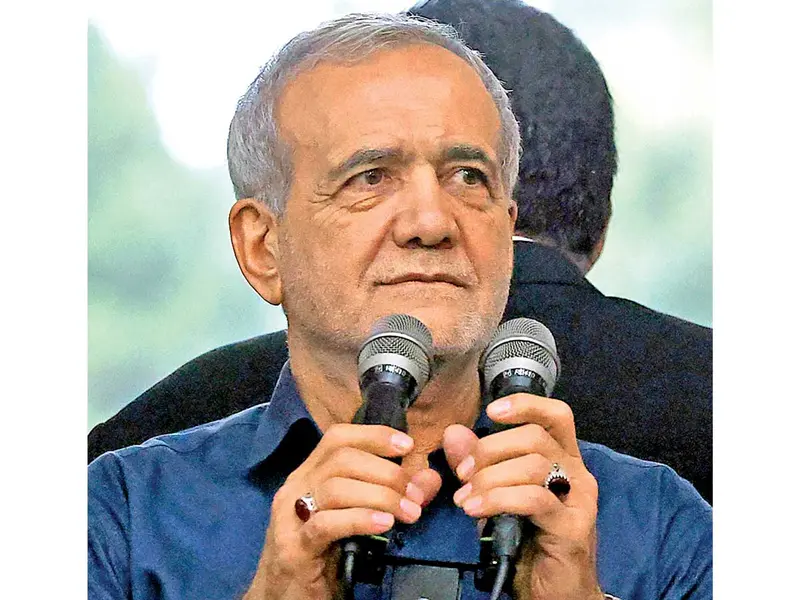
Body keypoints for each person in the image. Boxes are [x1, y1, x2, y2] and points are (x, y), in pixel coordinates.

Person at [88, 12, 711, 600]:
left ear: (507, 230)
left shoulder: (659, 525)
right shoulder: (123, 517)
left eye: (468, 176)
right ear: (263, 248)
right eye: (371, 177)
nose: (432, 222)